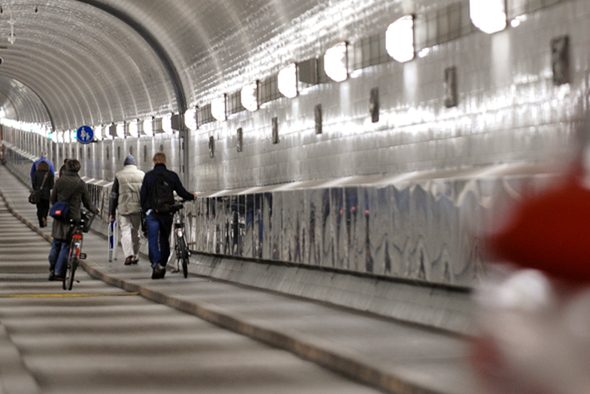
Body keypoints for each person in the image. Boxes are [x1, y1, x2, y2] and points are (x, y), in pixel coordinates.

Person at [140, 152, 197, 279]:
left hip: (152, 213)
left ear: (154, 162)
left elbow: (142, 195)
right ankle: (162, 264)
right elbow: (181, 192)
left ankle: (155, 264)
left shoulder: (148, 176)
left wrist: (145, 210)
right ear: (165, 162)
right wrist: (192, 196)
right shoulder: (172, 175)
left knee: (153, 239)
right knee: (164, 238)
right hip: (167, 212)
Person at [48, 159, 99, 281]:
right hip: (73, 218)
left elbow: (53, 199)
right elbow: (87, 202)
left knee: (56, 244)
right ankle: (60, 273)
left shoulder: (59, 181)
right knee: (66, 245)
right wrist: (95, 210)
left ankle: (52, 268)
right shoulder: (80, 183)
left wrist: (59, 207)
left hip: (60, 217)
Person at [109, 155, 145, 265]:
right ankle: (135, 254)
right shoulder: (142, 175)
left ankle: (128, 255)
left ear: (125, 165)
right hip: (137, 208)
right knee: (135, 231)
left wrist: (112, 212)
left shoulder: (119, 175)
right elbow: (145, 193)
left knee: (125, 232)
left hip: (123, 208)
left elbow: (114, 195)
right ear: (134, 164)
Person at [32, 160, 54, 228]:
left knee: (39, 208)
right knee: (46, 207)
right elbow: (51, 185)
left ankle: (41, 223)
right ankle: (44, 217)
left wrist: (36, 189)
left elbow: (34, 183)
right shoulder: (49, 173)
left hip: (38, 193)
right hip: (46, 193)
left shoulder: (36, 173)